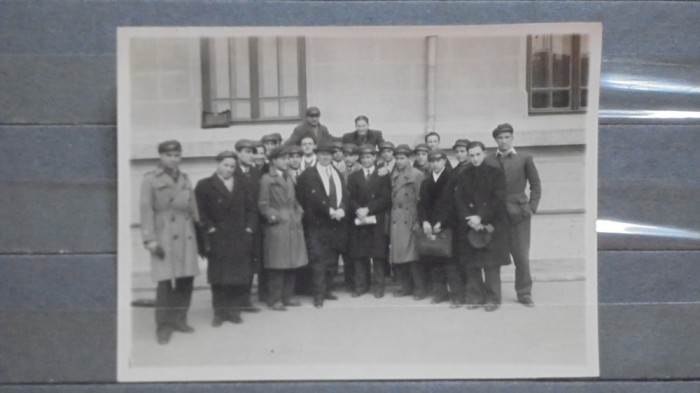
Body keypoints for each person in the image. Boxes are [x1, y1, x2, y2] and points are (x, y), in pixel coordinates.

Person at [140, 140, 200, 344]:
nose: (173, 159)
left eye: (177, 155)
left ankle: (179, 320)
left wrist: (200, 235)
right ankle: (163, 326)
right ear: (161, 156)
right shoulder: (150, 179)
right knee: (165, 283)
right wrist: (149, 239)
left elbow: (193, 210)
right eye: (169, 155)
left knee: (186, 280)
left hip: (186, 233)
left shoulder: (185, 178)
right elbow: (146, 210)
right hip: (163, 233)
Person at [195, 151, 257, 326]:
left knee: (237, 276)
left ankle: (233, 311)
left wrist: (249, 228)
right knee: (219, 276)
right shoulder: (205, 185)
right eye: (225, 165)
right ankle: (219, 312)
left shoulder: (243, 184)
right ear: (217, 164)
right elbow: (199, 211)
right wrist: (210, 228)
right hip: (218, 237)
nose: (229, 169)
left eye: (232, 166)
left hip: (239, 236)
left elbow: (251, 209)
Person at [484, 123, 542, 307]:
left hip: (519, 216)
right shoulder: (488, 160)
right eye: (500, 138)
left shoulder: (524, 158)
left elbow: (535, 185)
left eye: (507, 137)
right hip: (496, 217)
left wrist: (531, 207)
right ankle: (493, 297)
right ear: (495, 140)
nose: (504, 141)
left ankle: (524, 293)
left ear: (512, 138)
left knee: (521, 257)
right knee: (493, 258)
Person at [454, 141, 509, 312]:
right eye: (471, 155)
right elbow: (459, 200)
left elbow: (497, 200)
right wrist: (469, 219)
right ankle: (475, 297)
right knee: (472, 264)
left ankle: (493, 298)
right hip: (470, 224)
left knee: (491, 264)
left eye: (478, 154)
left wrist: (481, 217)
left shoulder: (496, 174)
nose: (475, 158)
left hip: (490, 223)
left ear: (484, 153)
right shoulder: (464, 175)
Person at [296, 143, 348, 308]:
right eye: (322, 154)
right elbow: (310, 198)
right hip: (317, 224)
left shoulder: (337, 173)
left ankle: (327, 290)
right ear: (317, 155)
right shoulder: (308, 174)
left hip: (336, 224)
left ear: (333, 156)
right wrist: (329, 210)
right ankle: (318, 295)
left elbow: (344, 195)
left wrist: (342, 209)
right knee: (318, 260)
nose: (326, 157)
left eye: (329, 154)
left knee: (332, 260)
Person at [258, 146, 309, 311]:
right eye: (283, 158)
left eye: (288, 158)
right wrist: (275, 216)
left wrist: (299, 212)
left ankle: (288, 297)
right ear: (273, 161)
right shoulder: (267, 180)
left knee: (292, 262)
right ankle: (274, 299)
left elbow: (294, 201)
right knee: (277, 265)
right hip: (278, 227)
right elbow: (263, 204)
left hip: (293, 223)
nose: (286, 161)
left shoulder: (289, 177)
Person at [417, 149, 464, 306]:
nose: (435, 164)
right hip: (431, 227)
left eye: (439, 160)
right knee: (435, 260)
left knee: (451, 262)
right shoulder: (426, 182)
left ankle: (457, 296)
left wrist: (441, 222)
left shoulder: (453, 178)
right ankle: (440, 293)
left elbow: (454, 204)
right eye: (433, 161)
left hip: (449, 226)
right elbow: (421, 205)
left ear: (445, 161)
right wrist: (424, 221)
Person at [346, 145, 392, 298]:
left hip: (376, 219)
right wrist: (358, 209)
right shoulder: (353, 176)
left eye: (369, 157)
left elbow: (386, 198)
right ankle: (361, 286)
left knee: (378, 255)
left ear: (374, 158)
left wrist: (368, 209)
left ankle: (378, 288)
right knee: (360, 255)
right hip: (359, 219)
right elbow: (349, 197)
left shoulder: (383, 175)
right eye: (363, 157)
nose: (366, 160)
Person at [389, 144, 426, 300]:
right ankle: (406, 287)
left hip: (409, 217)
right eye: (397, 158)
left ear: (409, 159)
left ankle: (419, 289)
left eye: (402, 158)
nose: (399, 161)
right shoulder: (393, 174)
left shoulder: (417, 175)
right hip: (396, 218)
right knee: (400, 257)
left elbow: (421, 199)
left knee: (412, 257)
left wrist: (417, 220)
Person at [233, 139, 264, 312]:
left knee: (251, 262)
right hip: (235, 224)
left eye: (252, 152)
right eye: (245, 151)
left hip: (253, 223)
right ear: (238, 153)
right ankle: (233, 300)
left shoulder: (255, 172)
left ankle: (245, 300)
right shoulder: (231, 169)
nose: (249, 155)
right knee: (236, 263)